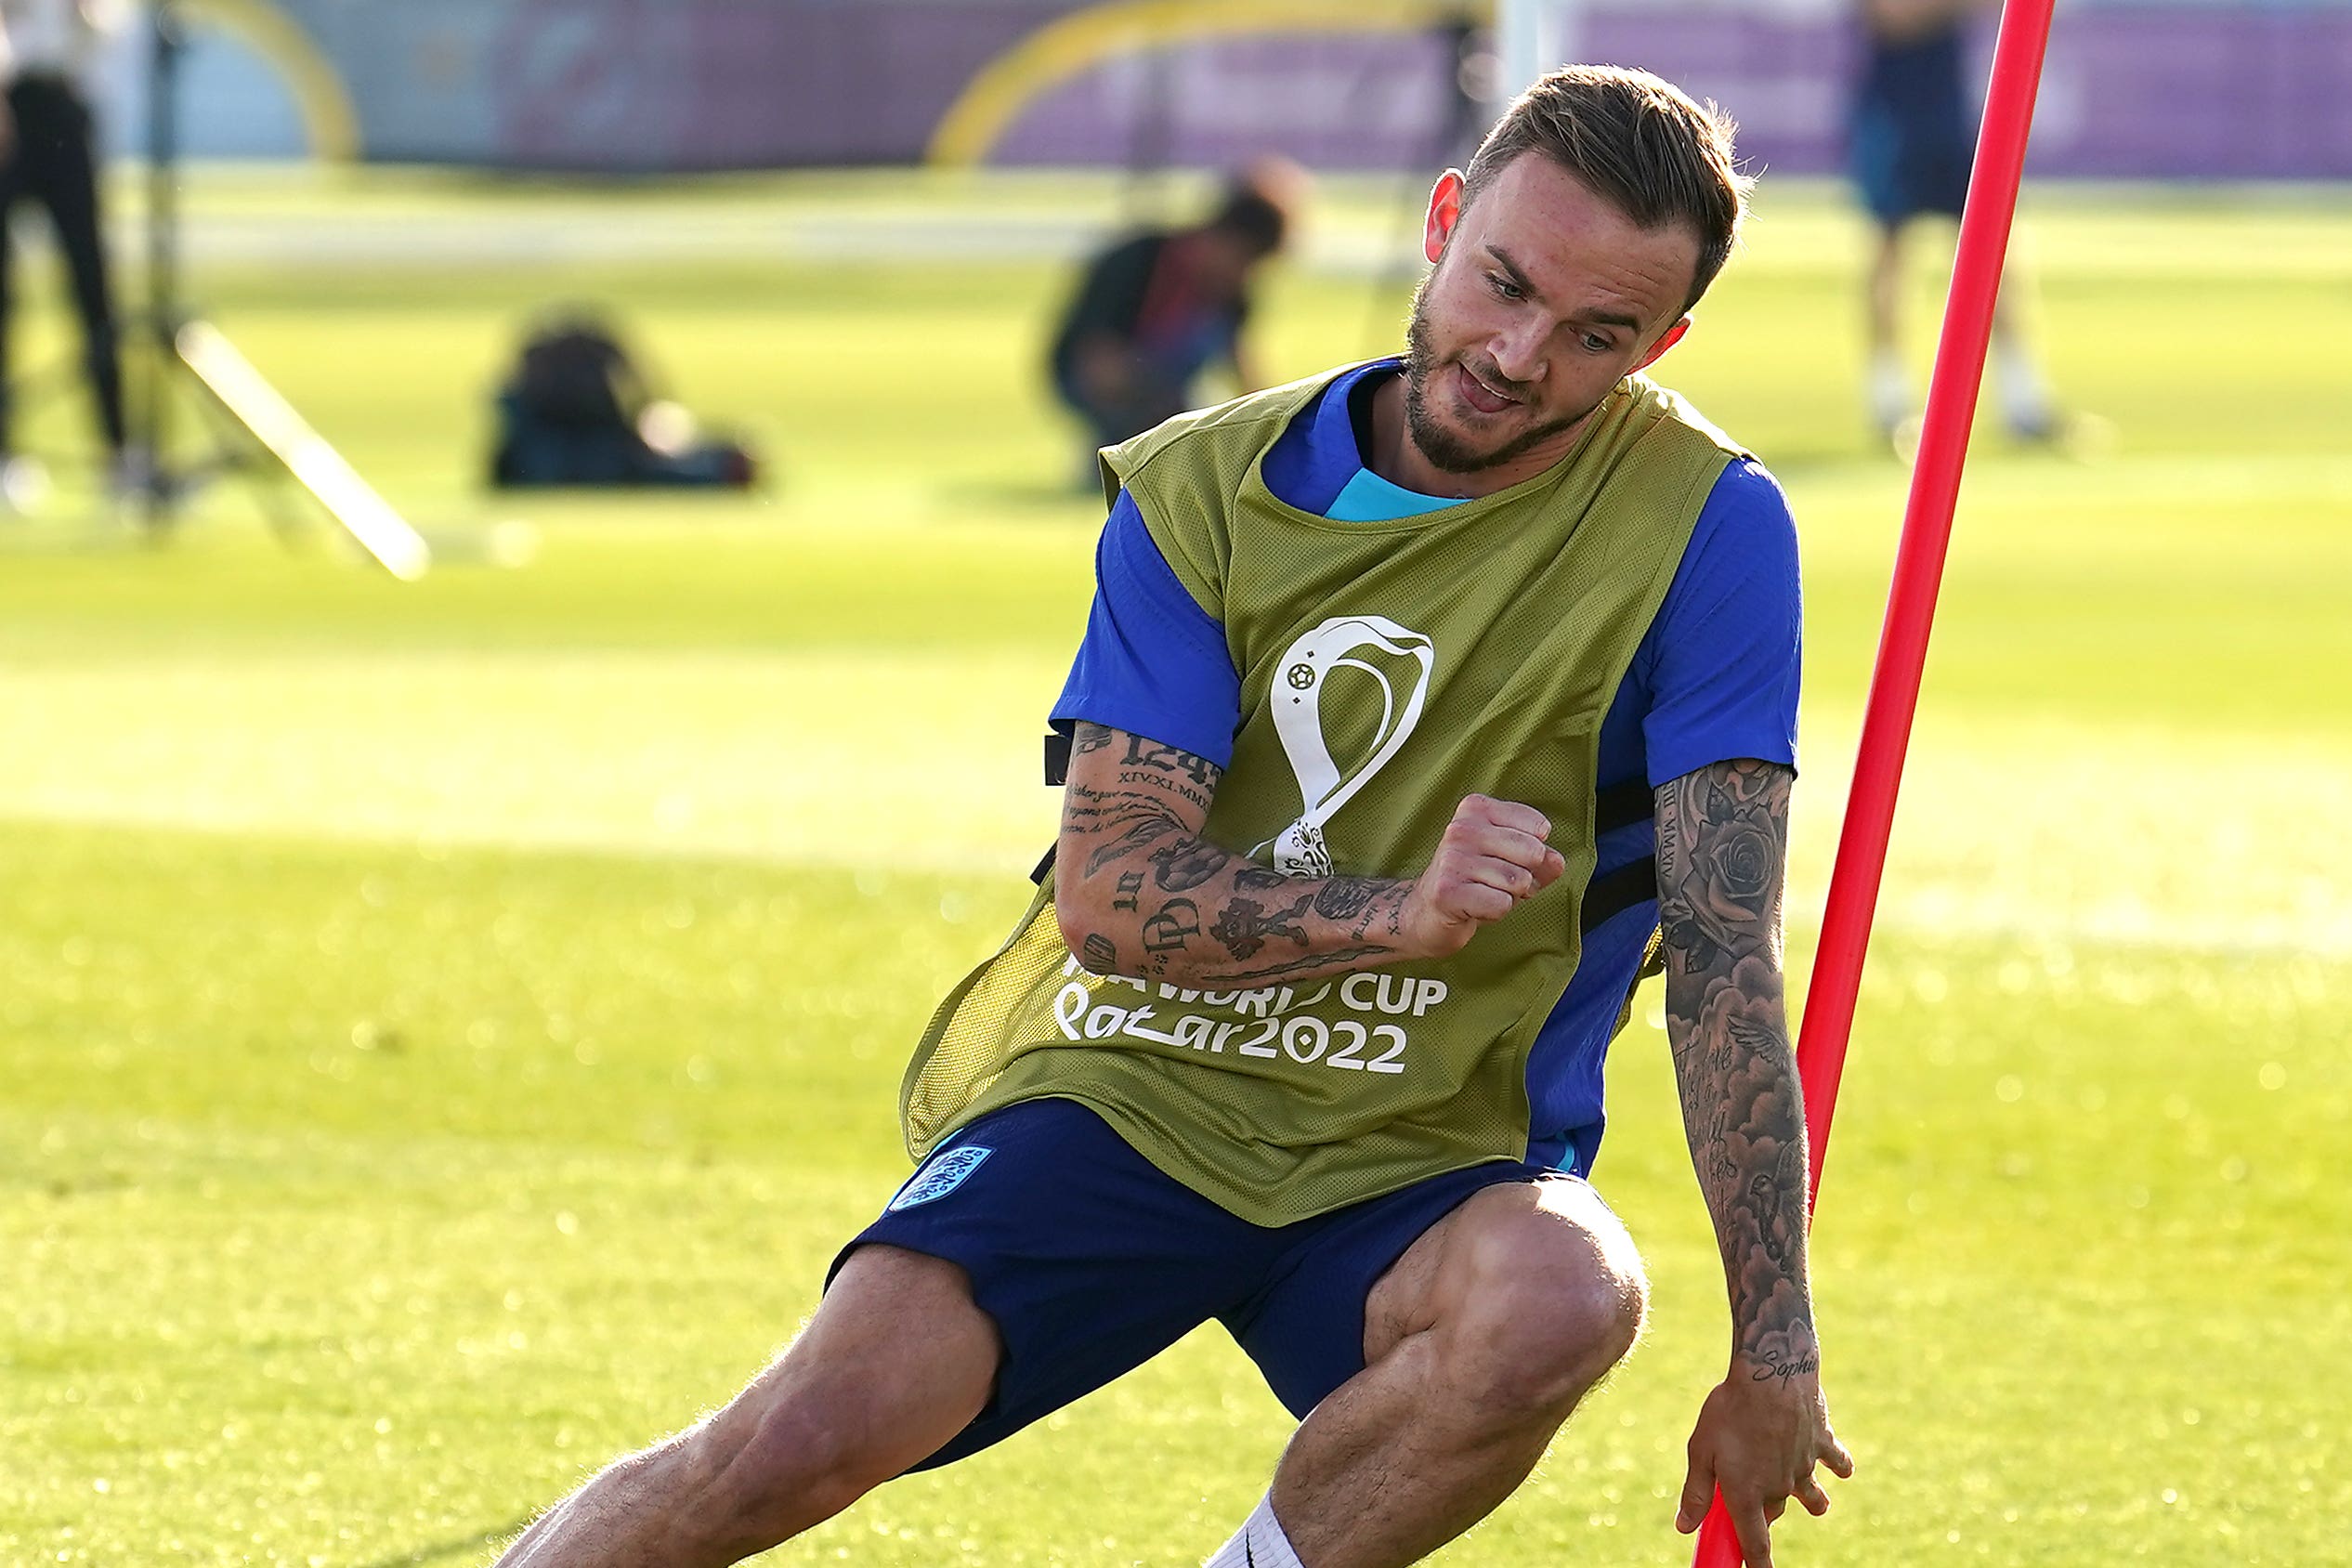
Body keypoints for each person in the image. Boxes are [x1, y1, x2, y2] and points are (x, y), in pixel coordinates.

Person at [494, 64, 1851, 1568]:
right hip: (1134, 1087)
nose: (1519, 356)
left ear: (1663, 339)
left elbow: (1726, 950)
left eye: (1596, 334)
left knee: (1566, 1294)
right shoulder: (1206, 488)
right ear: (1442, 220)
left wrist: (1772, 1349)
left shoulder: (1707, 523)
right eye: (1503, 285)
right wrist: (1396, 910)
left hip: (1433, 1146)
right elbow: (1116, 899)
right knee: (797, 1440)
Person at [1849, 0, 2061, 450]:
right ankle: (1889, 403)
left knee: (1992, 252)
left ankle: (2024, 401)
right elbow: (1895, 15)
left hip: (1950, 106)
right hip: (1894, 110)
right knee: (1890, 253)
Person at [1048, 163, 1296, 456]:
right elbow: (1099, 367)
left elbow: (1243, 371)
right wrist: (1159, 406)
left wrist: (1273, 428)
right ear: (1223, 237)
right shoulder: (1136, 260)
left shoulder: (1232, 292)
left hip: (1173, 391)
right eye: (1244, 259)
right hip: (1099, 382)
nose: (1243, 274)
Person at [0, 0, 136, 510]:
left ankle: (118, 450)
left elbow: (106, 29)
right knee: (2, 296)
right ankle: (5, 454)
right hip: (9, 103)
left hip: (63, 103)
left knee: (92, 283)